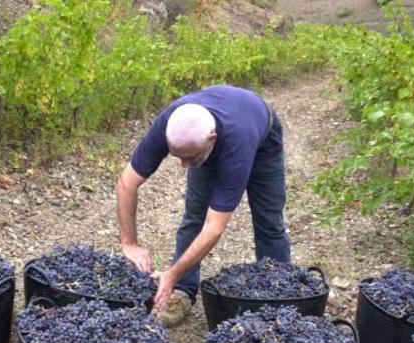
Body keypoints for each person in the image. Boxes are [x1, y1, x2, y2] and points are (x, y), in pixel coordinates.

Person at [116, 85, 289, 326]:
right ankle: (183, 292)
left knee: (269, 223)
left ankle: (279, 296)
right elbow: (127, 182)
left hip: (262, 143)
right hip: (216, 136)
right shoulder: (171, 122)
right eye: (179, 157)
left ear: (212, 140)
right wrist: (129, 243)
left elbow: (215, 226)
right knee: (193, 218)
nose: (184, 166)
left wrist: (171, 273)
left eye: (190, 158)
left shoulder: (238, 141)